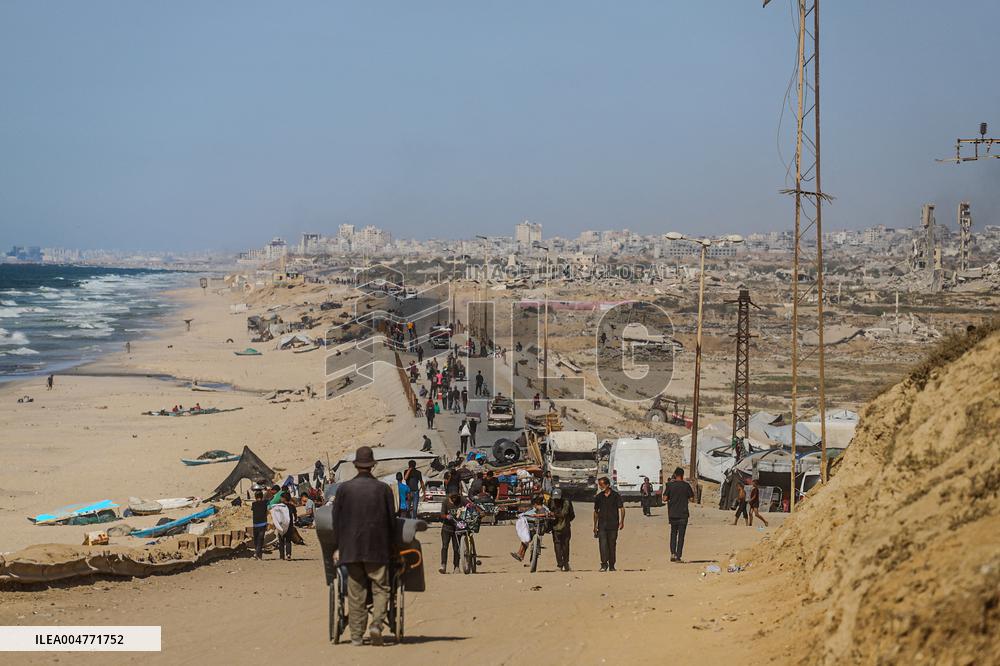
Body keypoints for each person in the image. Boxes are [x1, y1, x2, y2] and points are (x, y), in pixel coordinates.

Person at [329, 446, 397, 647]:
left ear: (356, 465)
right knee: (381, 588)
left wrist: (339, 546)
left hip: (351, 549)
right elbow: (391, 521)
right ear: (372, 465)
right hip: (377, 548)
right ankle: (376, 625)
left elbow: (336, 521)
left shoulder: (344, 489)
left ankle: (357, 635)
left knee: (355, 591)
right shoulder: (383, 489)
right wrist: (392, 545)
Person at [664, 467, 695, 562]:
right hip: (683, 514)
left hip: (673, 514)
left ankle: (672, 553)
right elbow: (692, 499)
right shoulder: (686, 486)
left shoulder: (670, 485)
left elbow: (664, 498)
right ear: (682, 475)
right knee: (681, 536)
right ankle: (678, 556)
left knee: (673, 534)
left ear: (675, 474)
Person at [593, 476, 624, 572]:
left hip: (613, 524)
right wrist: (595, 526)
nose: (600, 487)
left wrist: (622, 521)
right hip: (602, 525)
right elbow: (596, 511)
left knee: (612, 545)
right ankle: (603, 564)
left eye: (602, 485)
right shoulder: (598, 497)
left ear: (607, 485)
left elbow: (622, 508)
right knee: (602, 545)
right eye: (599, 485)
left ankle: (612, 565)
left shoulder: (615, 496)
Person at [511, 495, 552, 562]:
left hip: (538, 528)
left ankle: (520, 554)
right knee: (526, 539)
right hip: (538, 529)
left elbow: (546, 514)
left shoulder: (542, 509)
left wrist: (536, 515)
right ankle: (521, 554)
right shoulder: (540, 509)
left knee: (526, 538)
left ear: (535, 504)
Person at [549, 488, 575, 571]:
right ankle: (565, 563)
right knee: (565, 545)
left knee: (557, 545)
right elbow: (572, 515)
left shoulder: (551, 502)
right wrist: (566, 520)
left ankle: (560, 564)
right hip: (565, 527)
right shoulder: (567, 502)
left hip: (555, 527)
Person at [439, 493, 464, 574]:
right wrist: (446, 516)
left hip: (457, 529)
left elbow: (470, 504)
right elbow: (442, 514)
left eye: (455, 497)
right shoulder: (445, 502)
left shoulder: (461, 500)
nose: (454, 499)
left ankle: (456, 566)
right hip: (446, 528)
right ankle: (443, 565)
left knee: (456, 548)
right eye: (452, 498)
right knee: (445, 546)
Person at [270, 495, 292, 560]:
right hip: (289, 525)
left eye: (281, 498)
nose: (280, 499)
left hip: (281, 526)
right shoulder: (291, 506)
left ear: (284, 498)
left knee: (281, 541)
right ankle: (288, 554)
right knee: (288, 540)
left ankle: (282, 556)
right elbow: (295, 515)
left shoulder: (279, 506)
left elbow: (276, 513)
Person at [251, 490, 268, 559]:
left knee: (256, 540)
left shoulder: (253, 504)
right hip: (263, 524)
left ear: (255, 497)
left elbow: (253, 509)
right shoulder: (265, 503)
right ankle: (258, 554)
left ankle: (257, 554)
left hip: (255, 524)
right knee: (260, 540)